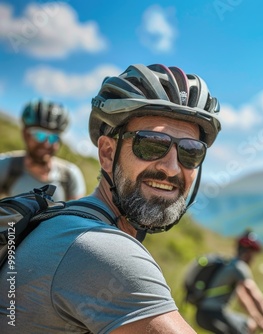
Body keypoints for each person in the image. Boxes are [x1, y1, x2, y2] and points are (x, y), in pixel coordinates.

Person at [0, 63, 222, 333]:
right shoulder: (103, 252)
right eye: (152, 144)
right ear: (106, 153)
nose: (172, 168)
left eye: (190, 151)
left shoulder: (68, 224)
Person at [194, 230, 263, 334]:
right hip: (213, 314)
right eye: (253, 255)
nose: (253, 259)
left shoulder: (230, 265)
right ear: (248, 253)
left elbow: (243, 299)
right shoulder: (239, 267)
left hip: (202, 314)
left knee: (250, 325)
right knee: (246, 328)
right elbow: (258, 299)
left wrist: (259, 320)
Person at [0, 99, 86, 201]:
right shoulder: (5, 166)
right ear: (25, 134)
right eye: (39, 135)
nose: (46, 143)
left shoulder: (70, 176)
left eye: (53, 137)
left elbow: (74, 215)